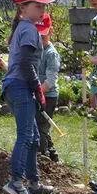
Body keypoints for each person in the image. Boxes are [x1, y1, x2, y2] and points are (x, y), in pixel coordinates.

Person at [0, 0, 56, 194]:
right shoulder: (29, 29)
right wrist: (36, 88)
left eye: (44, 6)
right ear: (22, 7)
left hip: (16, 87)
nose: (42, 10)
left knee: (33, 137)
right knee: (25, 135)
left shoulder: (24, 28)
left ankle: (33, 182)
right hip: (20, 86)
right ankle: (15, 182)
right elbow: (25, 63)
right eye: (38, 5)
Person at [35, 12, 62, 164]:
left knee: (41, 128)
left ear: (50, 31)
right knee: (41, 124)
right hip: (37, 93)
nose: (40, 40)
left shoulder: (51, 54)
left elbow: (50, 80)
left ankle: (42, 158)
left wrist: (37, 92)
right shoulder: (35, 50)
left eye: (43, 36)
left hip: (48, 95)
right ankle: (53, 155)